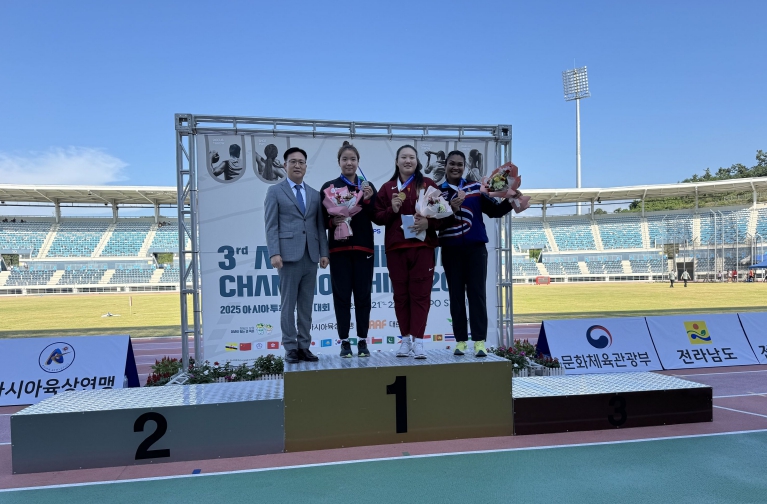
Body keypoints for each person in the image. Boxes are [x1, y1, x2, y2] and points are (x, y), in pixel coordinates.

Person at [438, 151, 513, 357]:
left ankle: (479, 341)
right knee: (456, 296)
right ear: (445, 166)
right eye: (452, 163)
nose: (456, 167)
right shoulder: (437, 193)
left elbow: (495, 211)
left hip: (476, 250)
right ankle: (461, 341)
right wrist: (451, 209)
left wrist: (512, 199)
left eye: (459, 164)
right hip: (451, 250)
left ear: (464, 167)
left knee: (477, 295)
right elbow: (436, 223)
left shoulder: (475, 188)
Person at [373, 145, 440, 359]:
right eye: (403, 157)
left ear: (417, 161)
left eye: (411, 157)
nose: (408, 161)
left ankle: (419, 341)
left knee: (421, 296)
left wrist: (429, 224)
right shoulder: (387, 188)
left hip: (422, 247)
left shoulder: (427, 184)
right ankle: (405, 340)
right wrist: (391, 209)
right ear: (397, 161)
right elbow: (377, 217)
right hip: (396, 249)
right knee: (401, 296)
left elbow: (443, 214)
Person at [264, 147, 329, 364]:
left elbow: (320, 227)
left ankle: (304, 346)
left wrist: (324, 252)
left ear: (306, 166)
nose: (297, 165)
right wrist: (274, 252)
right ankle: (290, 347)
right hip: (287, 257)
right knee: (288, 305)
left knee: (306, 306)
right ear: (285, 166)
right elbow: (271, 225)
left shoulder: (314, 194)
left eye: (301, 162)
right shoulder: (275, 191)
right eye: (293, 161)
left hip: (310, 257)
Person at [320, 143, 377, 358]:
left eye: (353, 159)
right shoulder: (329, 187)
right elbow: (321, 220)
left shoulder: (367, 186)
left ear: (358, 162)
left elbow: (377, 216)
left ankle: (362, 340)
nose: (349, 163)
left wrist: (369, 199)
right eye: (345, 159)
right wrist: (332, 221)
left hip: (363, 249)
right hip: (339, 250)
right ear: (339, 162)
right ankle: (344, 341)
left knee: (363, 296)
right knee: (341, 297)